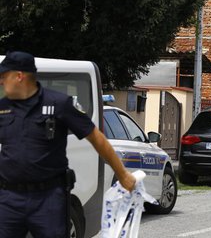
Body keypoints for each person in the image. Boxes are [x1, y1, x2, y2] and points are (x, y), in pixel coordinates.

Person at [0, 51, 136, 238]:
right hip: (10, 198)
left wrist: (122, 174)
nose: (1, 81)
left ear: (19, 76)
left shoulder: (58, 104)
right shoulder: (3, 108)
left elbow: (97, 138)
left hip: (48, 198)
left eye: (4, 76)